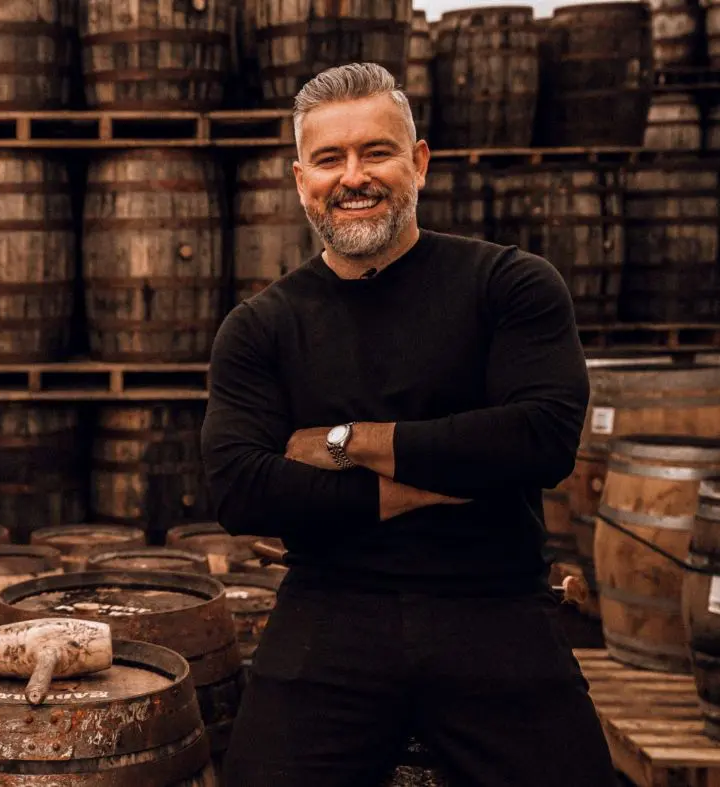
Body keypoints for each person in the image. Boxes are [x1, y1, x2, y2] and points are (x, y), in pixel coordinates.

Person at [200, 63, 620, 787]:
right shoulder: (261, 326)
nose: (353, 176)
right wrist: (453, 471)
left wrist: (345, 442)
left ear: (419, 163)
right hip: (329, 607)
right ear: (302, 181)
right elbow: (240, 488)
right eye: (330, 159)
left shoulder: (510, 284)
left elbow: (541, 438)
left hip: (494, 606)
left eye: (377, 152)